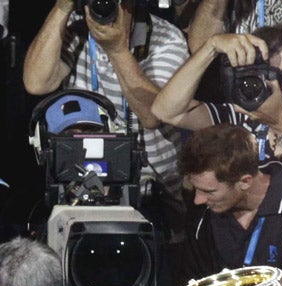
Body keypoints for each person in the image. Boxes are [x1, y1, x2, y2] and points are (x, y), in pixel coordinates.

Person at [152, 25, 282, 207]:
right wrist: (210, 47)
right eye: (274, 76)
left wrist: (280, 123)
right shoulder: (244, 116)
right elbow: (166, 111)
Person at [22, 0, 189, 224]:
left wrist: (117, 50)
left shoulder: (166, 38)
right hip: (82, 187)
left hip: (150, 192)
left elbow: (152, 115)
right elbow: (36, 83)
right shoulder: (76, 28)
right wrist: (62, 7)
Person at [178, 122, 282, 278]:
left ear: (245, 181)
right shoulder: (201, 218)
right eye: (196, 189)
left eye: (209, 191)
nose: (198, 200)